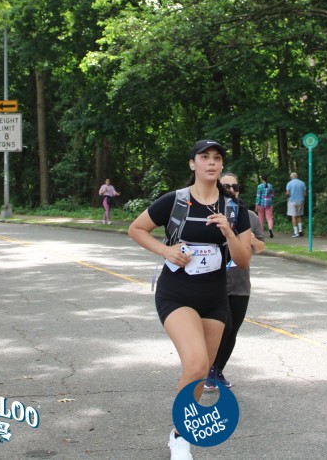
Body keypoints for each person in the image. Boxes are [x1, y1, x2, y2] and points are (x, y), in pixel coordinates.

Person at [127, 140, 253, 460]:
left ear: (221, 165)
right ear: (192, 164)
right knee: (196, 364)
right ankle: (182, 440)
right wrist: (167, 251)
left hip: (215, 298)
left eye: (217, 158)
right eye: (204, 157)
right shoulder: (175, 201)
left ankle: (178, 433)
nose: (211, 162)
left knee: (199, 372)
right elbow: (136, 229)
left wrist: (228, 232)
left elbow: (242, 260)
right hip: (176, 293)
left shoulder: (234, 208)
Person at [205, 172, 265, 391]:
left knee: (232, 331)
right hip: (215, 282)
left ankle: (218, 370)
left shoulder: (250, 216)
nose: (231, 190)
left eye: (235, 186)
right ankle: (208, 369)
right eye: (226, 186)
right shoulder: (209, 214)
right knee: (223, 327)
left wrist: (252, 240)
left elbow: (260, 247)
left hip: (240, 283)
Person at [285, 171, 307, 237]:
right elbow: (305, 194)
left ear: (291, 177)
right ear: (297, 176)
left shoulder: (289, 183)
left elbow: (287, 193)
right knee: (299, 215)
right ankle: (300, 230)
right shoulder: (302, 183)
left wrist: (287, 197)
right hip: (300, 201)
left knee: (293, 216)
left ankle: (296, 232)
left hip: (292, 201)